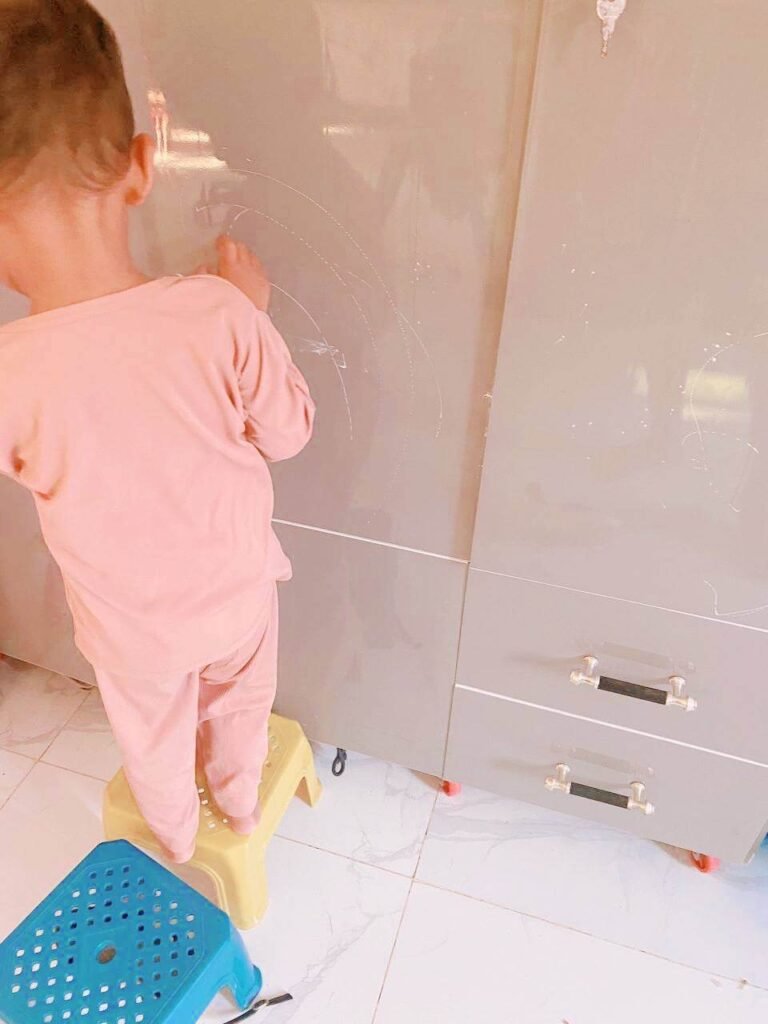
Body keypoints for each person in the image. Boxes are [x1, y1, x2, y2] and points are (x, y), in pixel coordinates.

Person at [0, 0, 315, 864]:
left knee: (152, 734)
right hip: (236, 597)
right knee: (241, 702)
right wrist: (253, 316)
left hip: (130, 633)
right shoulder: (216, 314)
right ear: (142, 167)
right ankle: (242, 805)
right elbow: (285, 433)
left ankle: (175, 837)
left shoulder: (9, 371)